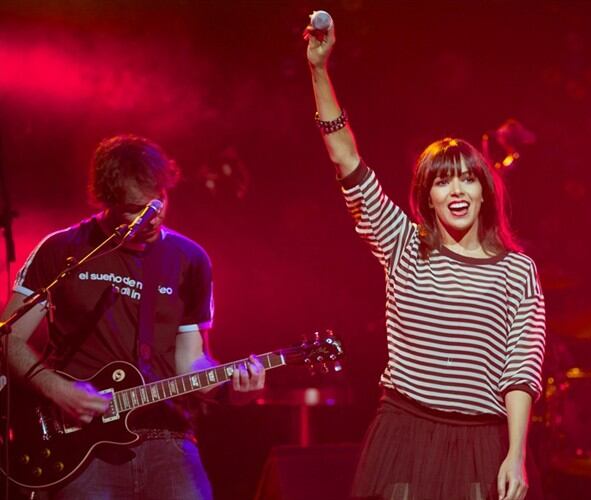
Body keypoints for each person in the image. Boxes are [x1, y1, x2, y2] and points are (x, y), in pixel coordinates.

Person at [305, 20, 546, 500]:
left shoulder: (518, 271)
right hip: (405, 430)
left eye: (466, 179)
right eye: (442, 181)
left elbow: (522, 369)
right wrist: (318, 69)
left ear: (485, 191)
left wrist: (515, 454)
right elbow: (345, 158)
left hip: (482, 438)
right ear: (427, 197)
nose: (455, 189)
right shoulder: (403, 243)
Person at [2, 134, 266, 499]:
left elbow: (190, 362)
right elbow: (8, 336)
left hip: (168, 436)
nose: (153, 216)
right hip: (80, 442)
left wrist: (233, 392)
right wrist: (57, 389)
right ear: (107, 201)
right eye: (136, 209)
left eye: (159, 200)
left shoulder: (189, 259)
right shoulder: (63, 249)